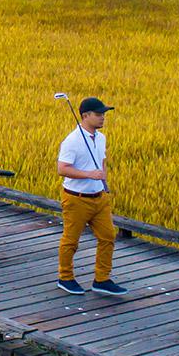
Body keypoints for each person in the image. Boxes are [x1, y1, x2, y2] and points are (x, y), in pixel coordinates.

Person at [56, 97, 124, 296]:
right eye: (98, 114)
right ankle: (65, 277)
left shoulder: (101, 138)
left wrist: (104, 183)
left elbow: (101, 161)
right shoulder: (72, 141)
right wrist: (89, 174)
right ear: (85, 116)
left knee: (108, 236)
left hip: (99, 197)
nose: (103, 118)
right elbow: (62, 169)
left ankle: (102, 279)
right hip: (76, 198)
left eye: (103, 114)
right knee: (71, 240)